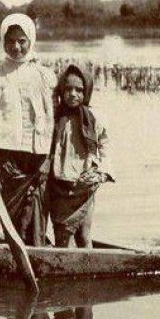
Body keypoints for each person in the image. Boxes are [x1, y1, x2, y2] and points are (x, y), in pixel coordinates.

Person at [0, 14, 56, 245]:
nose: (16, 46)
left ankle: (38, 253)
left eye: (22, 40)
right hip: (7, 159)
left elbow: (54, 122)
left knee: (36, 214)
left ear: (31, 40)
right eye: (10, 41)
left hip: (37, 158)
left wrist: (48, 160)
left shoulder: (44, 75)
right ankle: (15, 253)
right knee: (12, 218)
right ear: (3, 42)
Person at [47, 64, 113, 248]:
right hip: (59, 183)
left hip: (84, 184)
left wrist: (102, 172)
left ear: (87, 91)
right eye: (67, 89)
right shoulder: (54, 116)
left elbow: (105, 146)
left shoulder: (95, 117)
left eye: (79, 90)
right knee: (63, 235)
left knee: (84, 233)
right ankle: (65, 266)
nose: (73, 94)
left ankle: (88, 266)